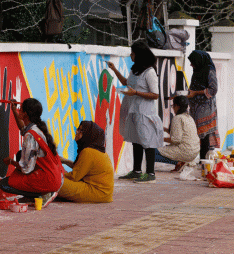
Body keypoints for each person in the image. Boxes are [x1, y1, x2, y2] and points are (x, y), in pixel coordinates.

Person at [107, 40, 164, 183]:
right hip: (133, 110)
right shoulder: (135, 69)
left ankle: (150, 173)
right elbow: (127, 82)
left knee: (148, 141)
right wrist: (114, 70)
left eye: (132, 53)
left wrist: (137, 93)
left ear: (139, 55)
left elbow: (155, 94)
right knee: (136, 140)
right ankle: (136, 170)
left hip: (145, 112)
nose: (131, 56)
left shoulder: (150, 72)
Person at [0, 98, 63, 208]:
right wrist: (14, 111)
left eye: (20, 109)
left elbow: (26, 169)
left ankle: (42, 195)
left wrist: (11, 162)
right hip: (55, 176)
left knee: (4, 184)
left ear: (26, 114)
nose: (18, 110)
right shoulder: (37, 128)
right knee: (21, 155)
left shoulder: (30, 137)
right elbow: (23, 129)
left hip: (47, 180)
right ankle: (40, 194)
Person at [59, 121, 114, 203]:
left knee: (56, 182)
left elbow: (74, 177)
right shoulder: (98, 152)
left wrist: (58, 174)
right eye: (78, 129)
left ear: (89, 135)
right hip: (104, 194)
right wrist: (65, 161)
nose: (77, 132)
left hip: (96, 192)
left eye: (81, 131)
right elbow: (81, 167)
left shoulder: (88, 152)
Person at [187, 50, 220, 161]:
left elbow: (213, 90)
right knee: (197, 134)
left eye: (192, 62)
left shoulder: (209, 71)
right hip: (196, 107)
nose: (191, 65)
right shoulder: (197, 70)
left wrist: (196, 93)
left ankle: (203, 162)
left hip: (205, 108)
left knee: (204, 134)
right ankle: (201, 161)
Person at [156, 96, 200, 170]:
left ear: (177, 106)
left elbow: (176, 139)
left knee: (152, 152)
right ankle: (181, 162)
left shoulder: (177, 118)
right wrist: (165, 129)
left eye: (173, 106)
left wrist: (160, 139)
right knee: (164, 149)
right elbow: (180, 134)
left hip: (186, 151)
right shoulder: (189, 117)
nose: (173, 108)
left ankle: (179, 162)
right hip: (194, 152)